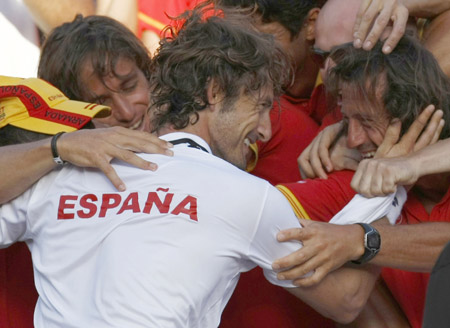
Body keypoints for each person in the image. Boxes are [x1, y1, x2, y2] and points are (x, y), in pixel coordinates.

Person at [0, 7, 381, 327]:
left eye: (130, 85)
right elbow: (346, 300)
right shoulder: (245, 196)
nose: (265, 129)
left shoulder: (56, 178)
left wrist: (57, 150)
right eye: (261, 105)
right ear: (214, 92)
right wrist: (386, 182)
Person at [0, 14, 173, 328]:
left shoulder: (193, 144)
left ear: (151, 75)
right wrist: (58, 148)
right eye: (100, 103)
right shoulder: (41, 172)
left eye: (130, 86)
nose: (125, 111)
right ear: (66, 113)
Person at [273, 36, 450, 327]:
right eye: (346, 120)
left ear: (417, 117)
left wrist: (361, 240)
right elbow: (349, 300)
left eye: (366, 123)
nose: (352, 139)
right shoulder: (352, 178)